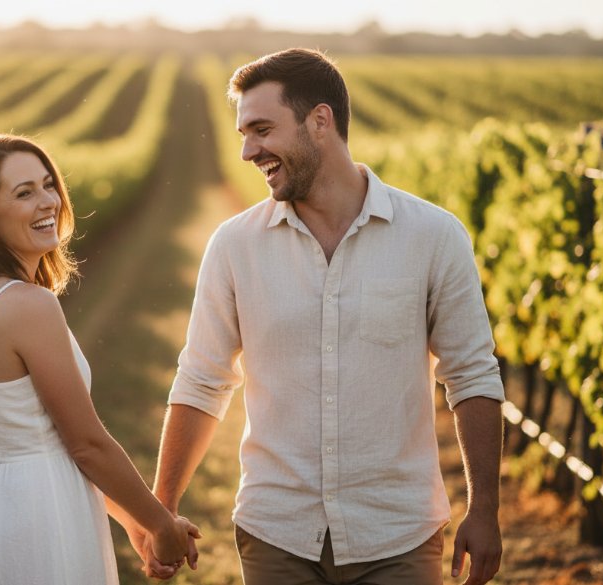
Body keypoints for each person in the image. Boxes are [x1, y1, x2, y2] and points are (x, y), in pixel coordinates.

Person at [139, 49, 505, 584]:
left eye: (262, 129)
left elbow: (472, 374)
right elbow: (201, 381)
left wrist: (485, 508)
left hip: (398, 534)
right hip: (275, 533)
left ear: (320, 121)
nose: (247, 151)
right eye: (243, 133)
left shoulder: (433, 236)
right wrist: (161, 508)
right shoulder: (235, 246)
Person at [0, 134, 199, 584]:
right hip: (37, 518)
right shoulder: (28, 304)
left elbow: (52, 440)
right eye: (24, 193)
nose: (48, 201)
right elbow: (87, 443)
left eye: (48, 185)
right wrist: (162, 526)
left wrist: (132, 521)